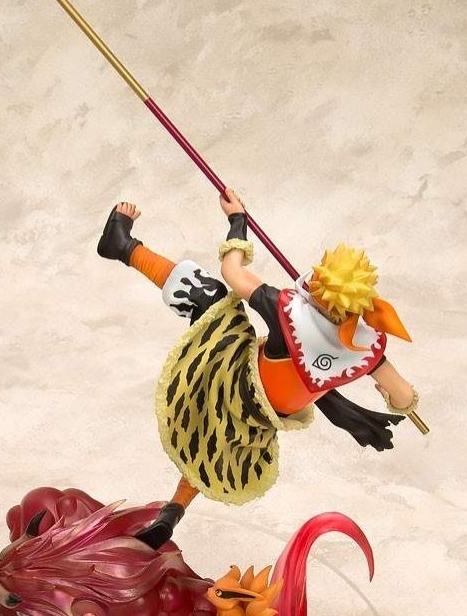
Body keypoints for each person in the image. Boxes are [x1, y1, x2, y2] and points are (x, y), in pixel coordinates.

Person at [97, 189, 419, 548]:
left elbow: (231, 270)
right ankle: (171, 512)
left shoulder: (286, 313)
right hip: (258, 422)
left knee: (207, 293)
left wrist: (237, 220)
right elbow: (404, 395)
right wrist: (391, 397)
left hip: (230, 379)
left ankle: (123, 247)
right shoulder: (364, 350)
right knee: (212, 453)